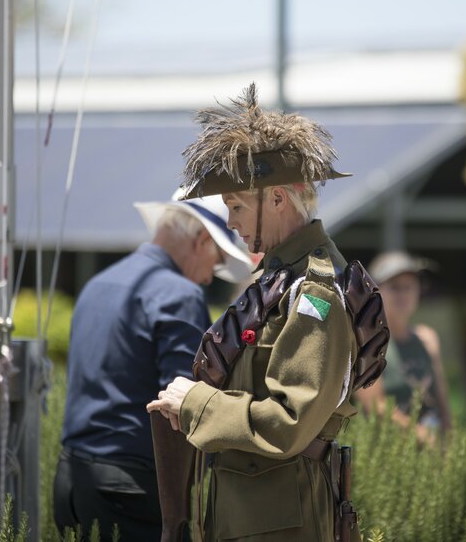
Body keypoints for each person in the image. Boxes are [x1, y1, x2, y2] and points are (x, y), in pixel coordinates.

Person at [146, 84, 364, 542]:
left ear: (279, 199)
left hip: (280, 522)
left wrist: (195, 405)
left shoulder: (314, 290)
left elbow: (291, 421)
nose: (231, 224)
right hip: (258, 516)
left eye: (237, 206)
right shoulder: (282, 279)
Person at [53, 192, 252, 541]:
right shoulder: (178, 295)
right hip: (129, 491)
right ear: (201, 239)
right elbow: (182, 410)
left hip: (71, 481)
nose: (209, 278)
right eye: (217, 260)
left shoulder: (99, 284)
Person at [354, 251, 452, 445]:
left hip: (430, 456)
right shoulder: (364, 342)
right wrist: (422, 435)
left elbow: (442, 402)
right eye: (395, 287)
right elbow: (376, 406)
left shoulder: (427, 339)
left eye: (409, 287)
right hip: (387, 456)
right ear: (376, 291)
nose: (404, 294)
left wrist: (449, 446)